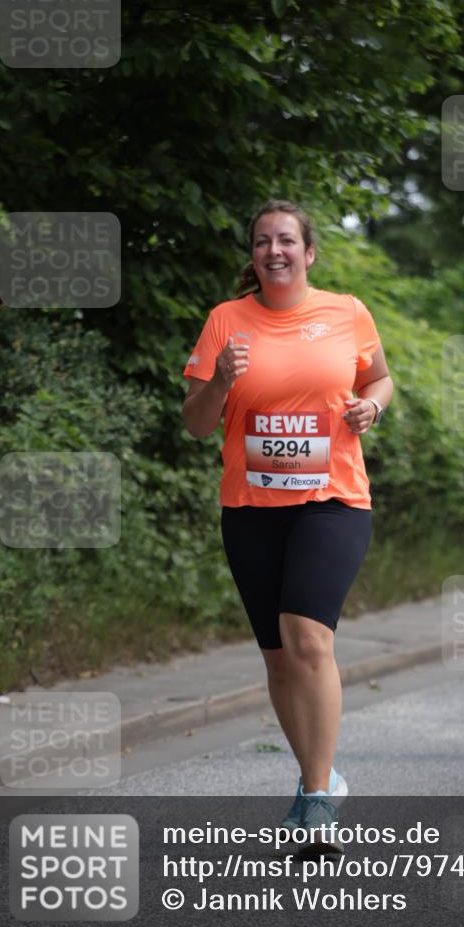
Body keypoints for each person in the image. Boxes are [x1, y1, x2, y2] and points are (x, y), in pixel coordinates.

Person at [181, 200, 394, 850]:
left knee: (307, 640)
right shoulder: (226, 321)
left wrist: (370, 409)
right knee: (276, 658)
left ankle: (321, 797)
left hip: (332, 500)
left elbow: (381, 380)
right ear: (252, 255)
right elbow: (195, 423)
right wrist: (217, 382)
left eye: (286, 241)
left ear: (308, 251)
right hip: (250, 508)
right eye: (262, 242)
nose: (274, 251)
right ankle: (312, 781)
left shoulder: (346, 312)